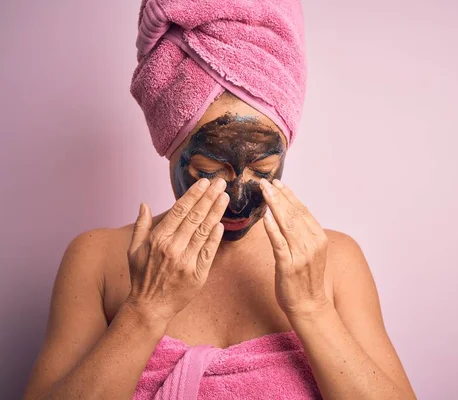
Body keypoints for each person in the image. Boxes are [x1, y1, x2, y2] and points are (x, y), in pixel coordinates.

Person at [24, 0, 416, 399]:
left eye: (263, 169)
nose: (239, 201)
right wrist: (145, 309)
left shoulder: (334, 261)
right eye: (209, 168)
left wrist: (313, 309)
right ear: (170, 149)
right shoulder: (96, 260)